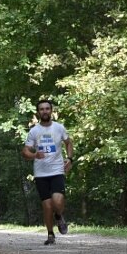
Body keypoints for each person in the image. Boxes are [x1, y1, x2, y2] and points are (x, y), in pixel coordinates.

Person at [22, 99, 74, 245]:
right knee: (47, 205)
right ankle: (50, 234)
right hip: (41, 173)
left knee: (57, 201)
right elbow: (25, 151)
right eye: (41, 109)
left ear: (51, 111)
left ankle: (59, 215)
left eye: (47, 109)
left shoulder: (59, 128)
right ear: (38, 112)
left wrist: (70, 159)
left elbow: (69, 143)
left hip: (57, 170)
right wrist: (34, 155)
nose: (44, 111)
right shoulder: (34, 131)